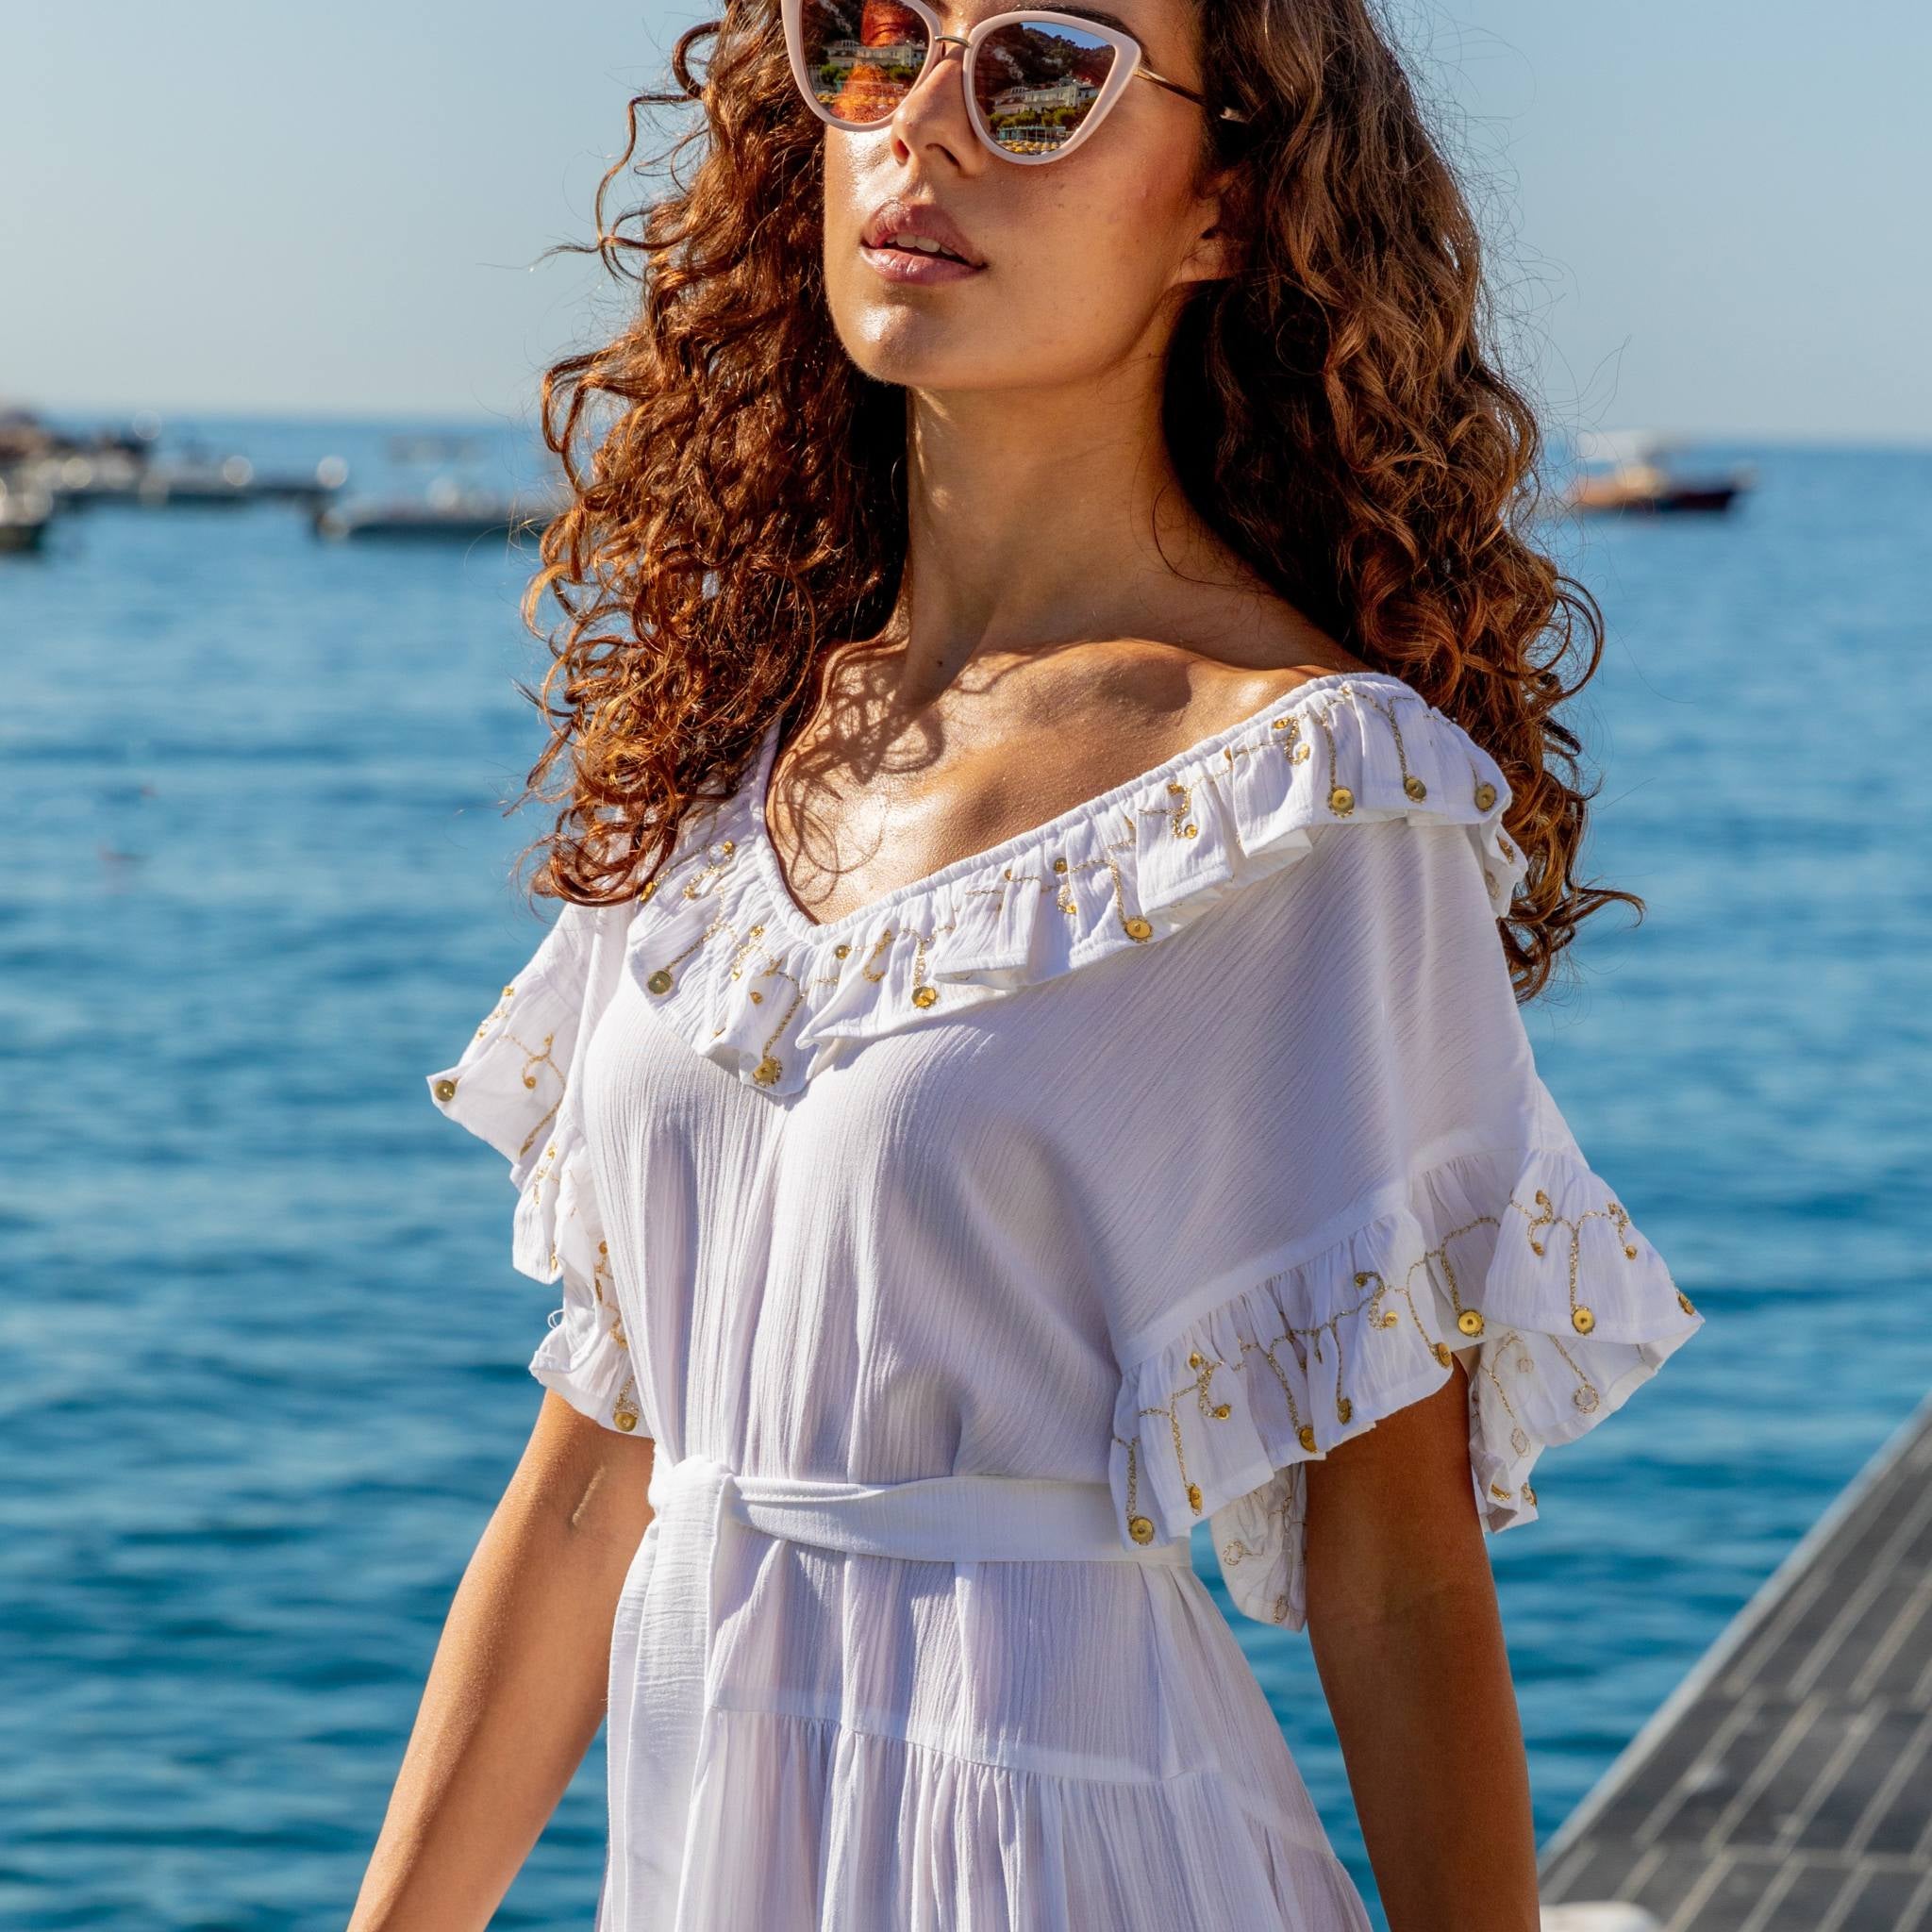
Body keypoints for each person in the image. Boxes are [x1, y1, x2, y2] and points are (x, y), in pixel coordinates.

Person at [350, 1, 1704, 1926]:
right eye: (868, 44)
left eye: (1041, 73)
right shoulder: (734, 760)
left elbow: (1391, 1569)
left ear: (1224, 202)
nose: (922, 130)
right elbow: (586, 1489)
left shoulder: (1304, 795)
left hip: (1072, 1857)